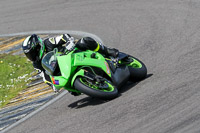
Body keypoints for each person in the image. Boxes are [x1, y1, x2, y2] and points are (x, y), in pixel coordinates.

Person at [22, 34, 119, 94]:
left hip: (71, 55)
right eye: (29, 55)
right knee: (72, 91)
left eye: (33, 53)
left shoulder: (48, 43)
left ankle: (107, 51)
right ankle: (88, 85)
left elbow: (64, 36)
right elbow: (45, 77)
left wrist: (69, 41)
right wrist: (53, 85)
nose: (32, 56)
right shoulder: (36, 64)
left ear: (39, 46)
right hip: (62, 71)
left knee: (84, 41)